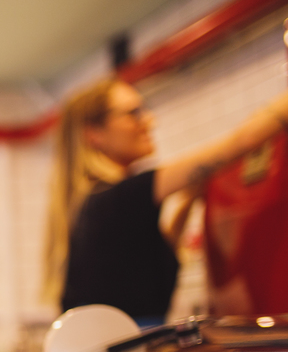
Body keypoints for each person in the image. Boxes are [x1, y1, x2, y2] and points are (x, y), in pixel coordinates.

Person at [45, 76, 288, 327]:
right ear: (94, 133)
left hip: (109, 351)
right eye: (133, 113)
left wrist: (188, 202)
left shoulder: (100, 204)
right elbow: (240, 144)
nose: (150, 120)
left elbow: (146, 264)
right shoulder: (117, 197)